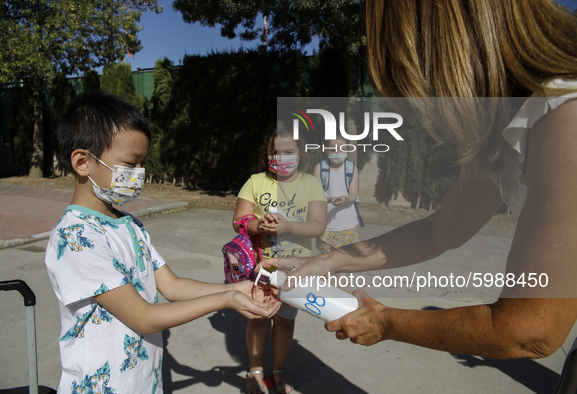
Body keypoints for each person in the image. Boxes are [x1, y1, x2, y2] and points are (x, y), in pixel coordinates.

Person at [261, 0, 577, 385]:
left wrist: (386, 322)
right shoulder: (508, 125)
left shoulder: (564, 116)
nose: (416, 111)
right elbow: (440, 231)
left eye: (414, 82)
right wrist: (327, 262)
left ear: (449, 51)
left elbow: (530, 331)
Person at [45, 91, 280, 394]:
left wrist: (234, 287)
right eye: (130, 164)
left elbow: (171, 286)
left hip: (145, 383)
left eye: (143, 164)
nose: (139, 174)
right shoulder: (76, 237)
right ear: (82, 162)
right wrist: (227, 300)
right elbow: (144, 317)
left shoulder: (130, 224)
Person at [233, 122, 326, 394]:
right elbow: (239, 219)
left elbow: (318, 225)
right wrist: (258, 224)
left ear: (300, 152)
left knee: (285, 320)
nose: (281, 157)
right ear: (267, 153)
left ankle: (279, 370)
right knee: (259, 317)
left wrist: (288, 227)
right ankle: (255, 371)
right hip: (260, 268)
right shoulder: (255, 181)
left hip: (295, 269)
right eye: (275, 151)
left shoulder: (311, 184)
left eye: (289, 151)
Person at [313, 137, 363, 255]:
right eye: (334, 150)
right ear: (326, 149)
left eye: (343, 149)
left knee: (343, 265)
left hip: (348, 225)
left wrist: (344, 199)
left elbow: (353, 195)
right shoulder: (319, 168)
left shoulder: (351, 168)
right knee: (326, 265)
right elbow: (317, 197)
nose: (338, 153)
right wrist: (331, 200)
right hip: (325, 226)